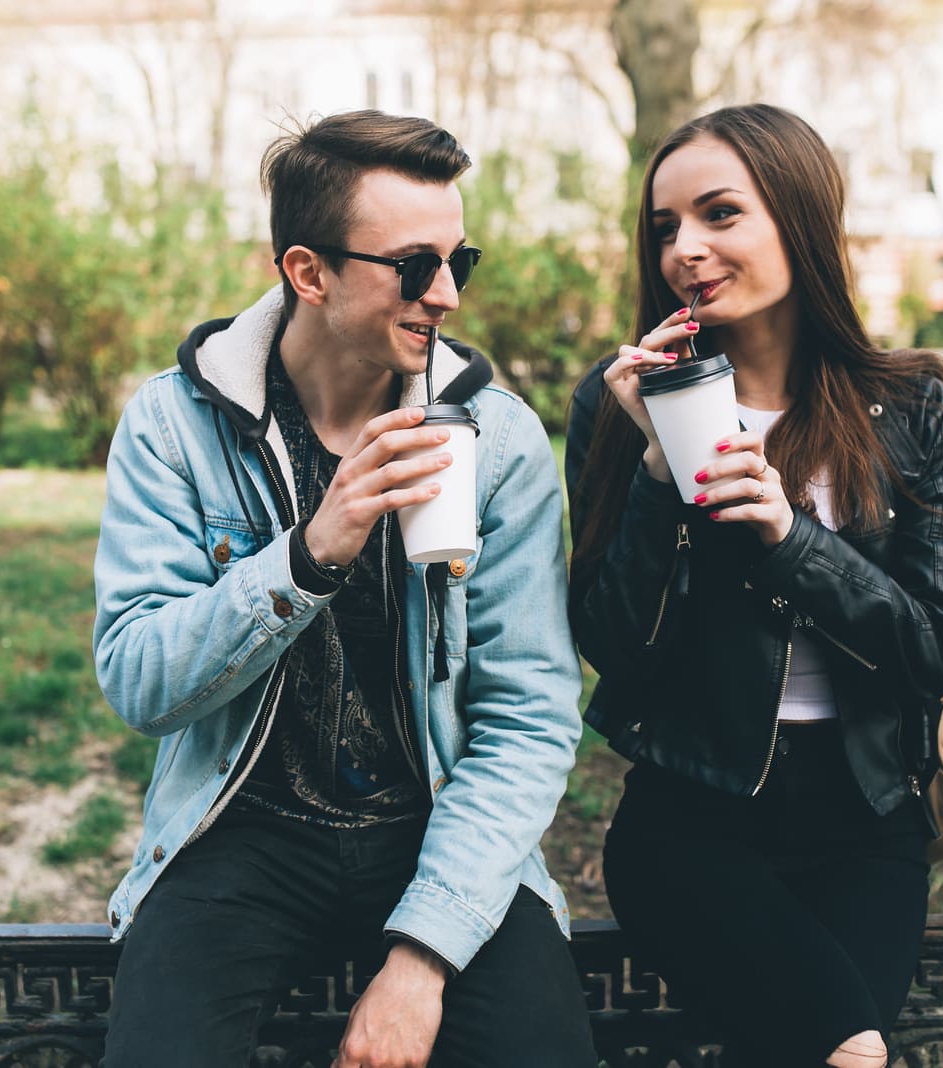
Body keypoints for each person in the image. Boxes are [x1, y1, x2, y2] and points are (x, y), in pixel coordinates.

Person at [93, 109, 596, 1068]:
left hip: (442, 822)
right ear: (308, 272)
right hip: (240, 830)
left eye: (460, 261)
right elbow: (139, 682)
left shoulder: (497, 442)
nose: (446, 294)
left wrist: (424, 956)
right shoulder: (172, 426)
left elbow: (529, 717)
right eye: (413, 265)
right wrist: (307, 557)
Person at [565, 103, 943, 1067]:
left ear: (797, 217)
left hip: (866, 819)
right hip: (692, 825)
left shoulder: (908, 404)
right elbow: (614, 648)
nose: (685, 250)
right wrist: (663, 476)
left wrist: (792, 538)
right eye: (665, 228)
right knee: (848, 1050)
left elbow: (932, 652)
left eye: (719, 214)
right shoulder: (617, 400)